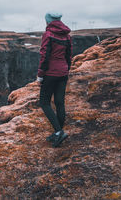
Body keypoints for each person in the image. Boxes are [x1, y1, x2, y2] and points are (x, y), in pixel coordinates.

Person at [37, 12, 72, 147]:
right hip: (63, 72)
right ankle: (58, 133)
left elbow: (44, 56)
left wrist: (40, 75)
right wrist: (66, 69)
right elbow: (69, 55)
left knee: (44, 102)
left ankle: (59, 132)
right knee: (59, 102)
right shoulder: (67, 36)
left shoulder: (48, 35)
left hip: (51, 73)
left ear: (48, 21)